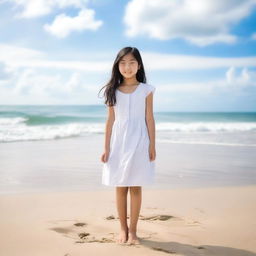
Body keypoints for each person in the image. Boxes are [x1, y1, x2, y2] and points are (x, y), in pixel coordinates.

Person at [99, 46, 156, 245]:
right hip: (118, 142)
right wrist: (106, 148)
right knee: (120, 185)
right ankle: (122, 229)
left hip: (140, 139)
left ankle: (133, 231)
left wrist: (152, 145)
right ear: (117, 66)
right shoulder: (112, 90)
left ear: (138, 65)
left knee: (136, 185)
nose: (127, 67)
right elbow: (110, 121)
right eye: (123, 63)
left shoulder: (146, 90)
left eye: (132, 63)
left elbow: (149, 118)